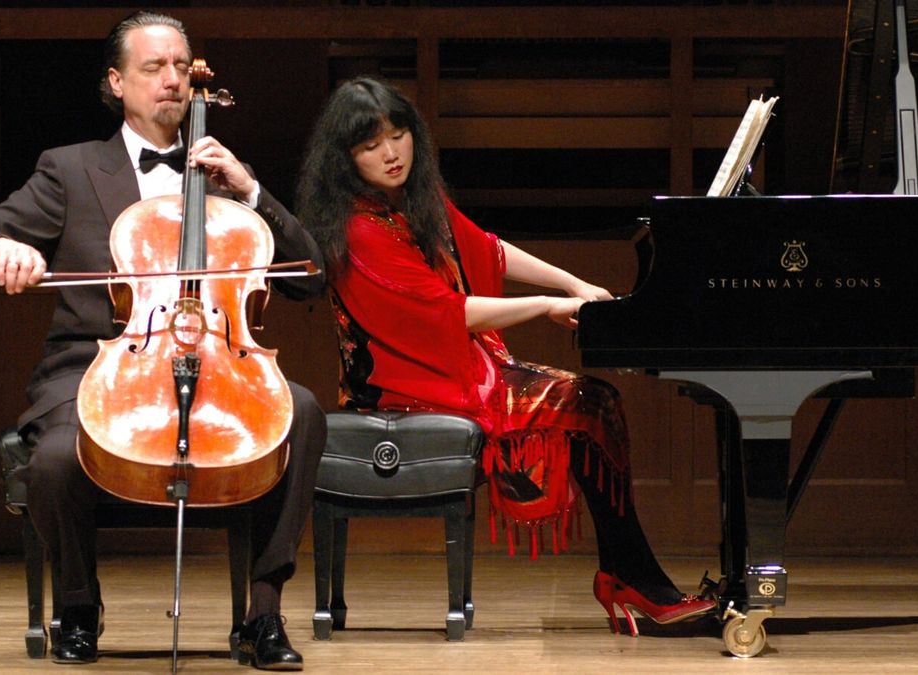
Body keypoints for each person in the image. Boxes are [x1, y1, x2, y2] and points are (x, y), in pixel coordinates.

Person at [0, 12, 323, 670]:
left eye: (181, 66)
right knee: (59, 454)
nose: (172, 80)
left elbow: (311, 274)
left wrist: (252, 189)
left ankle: (263, 613)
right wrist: (5, 246)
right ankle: (80, 605)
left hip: (219, 364)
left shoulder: (225, 178)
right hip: (98, 365)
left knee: (305, 412)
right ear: (117, 82)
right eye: (153, 68)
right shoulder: (70, 169)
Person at [296, 77, 716, 636]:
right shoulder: (357, 228)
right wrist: (546, 304)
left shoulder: (413, 201)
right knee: (589, 403)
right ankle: (633, 577)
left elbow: (487, 248)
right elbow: (448, 313)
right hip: (400, 384)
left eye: (398, 135)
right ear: (345, 158)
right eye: (371, 145)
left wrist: (574, 283)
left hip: (447, 365)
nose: (391, 153)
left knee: (596, 401)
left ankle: (629, 573)